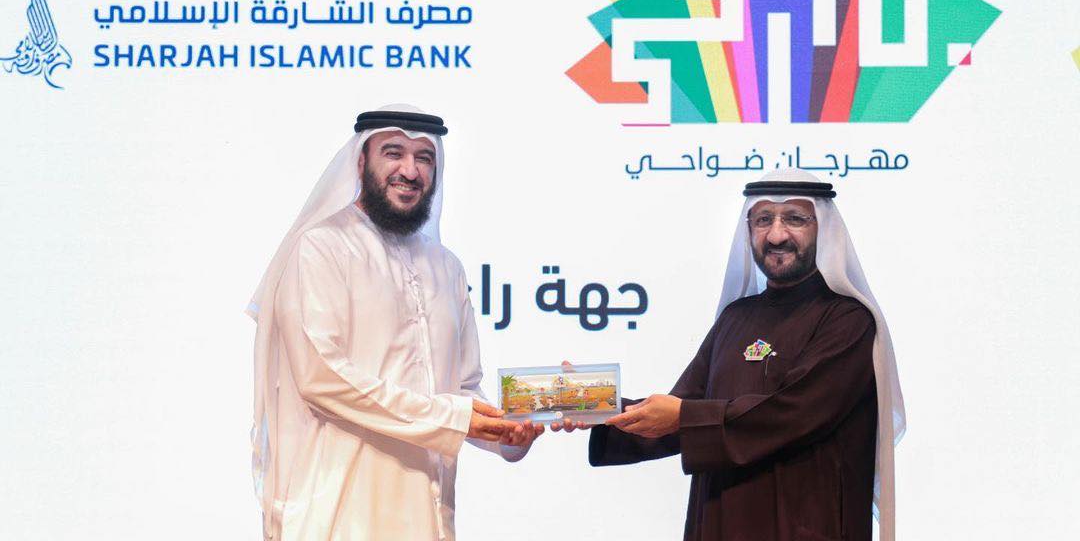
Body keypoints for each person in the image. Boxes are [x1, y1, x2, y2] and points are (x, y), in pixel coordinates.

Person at [247, 104, 543, 541]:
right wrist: (453, 417)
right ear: (361, 161)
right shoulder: (322, 248)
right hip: (338, 512)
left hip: (427, 514)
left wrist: (505, 434)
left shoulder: (446, 266)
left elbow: (461, 389)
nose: (410, 170)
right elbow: (321, 377)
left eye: (424, 157)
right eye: (393, 152)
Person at [557, 169, 904, 541]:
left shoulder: (848, 320)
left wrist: (683, 417)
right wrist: (594, 403)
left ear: (825, 229)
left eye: (795, 219)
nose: (776, 235)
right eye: (763, 220)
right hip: (720, 524)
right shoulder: (735, 318)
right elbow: (679, 411)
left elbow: (792, 415)